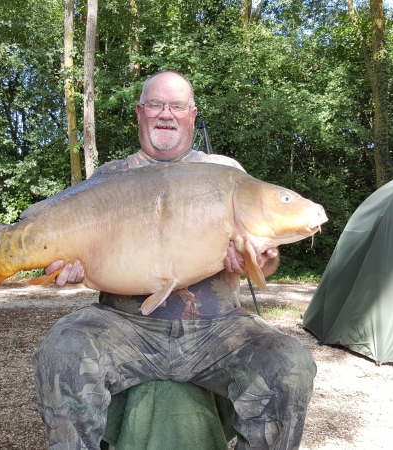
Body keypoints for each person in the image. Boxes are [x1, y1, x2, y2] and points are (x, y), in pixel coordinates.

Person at [32, 71, 316, 450]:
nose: (166, 113)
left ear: (192, 115)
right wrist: (69, 270)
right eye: (156, 104)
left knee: (289, 363)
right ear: (140, 112)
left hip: (217, 330)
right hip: (123, 326)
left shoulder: (225, 172)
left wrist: (257, 261)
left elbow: (266, 263)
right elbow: (83, 264)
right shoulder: (111, 176)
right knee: (63, 350)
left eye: (177, 105)